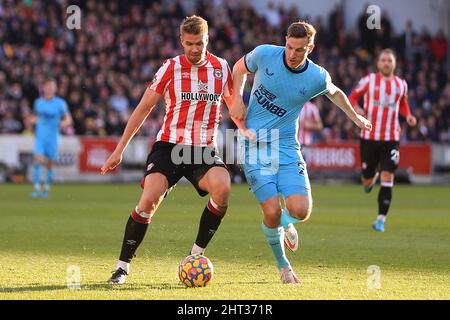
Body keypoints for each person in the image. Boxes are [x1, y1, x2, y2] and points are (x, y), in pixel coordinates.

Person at [101, 15, 252, 285]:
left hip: (203, 149)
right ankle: (122, 266)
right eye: (190, 43)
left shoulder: (221, 68)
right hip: (169, 145)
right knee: (149, 199)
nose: (195, 49)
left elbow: (234, 108)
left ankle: (195, 255)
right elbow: (144, 108)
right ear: (181, 41)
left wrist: (246, 132)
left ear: (208, 40)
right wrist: (119, 149)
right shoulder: (170, 68)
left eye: (200, 43)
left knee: (224, 188)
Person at [230, 21, 372, 284]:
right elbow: (238, 68)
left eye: (300, 50)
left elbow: (335, 93)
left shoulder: (316, 76)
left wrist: (355, 118)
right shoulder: (264, 54)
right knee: (271, 212)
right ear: (285, 40)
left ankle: (286, 223)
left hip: (286, 146)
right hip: (254, 145)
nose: (293, 54)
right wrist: (238, 98)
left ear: (311, 48)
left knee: (301, 210)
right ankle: (283, 266)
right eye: (290, 47)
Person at [349, 48, 417, 232]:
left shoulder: (401, 84)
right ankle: (370, 179)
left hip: (391, 138)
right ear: (378, 63)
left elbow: (403, 104)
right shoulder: (368, 80)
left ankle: (381, 219)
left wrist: (408, 116)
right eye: (383, 60)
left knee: (388, 177)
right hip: (369, 137)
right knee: (367, 181)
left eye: (389, 60)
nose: (386, 63)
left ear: (394, 64)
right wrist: (357, 108)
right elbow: (352, 97)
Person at [30, 78, 72, 198]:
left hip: (53, 137)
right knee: (37, 160)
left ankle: (46, 189)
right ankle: (37, 189)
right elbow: (34, 117)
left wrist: (64, 123)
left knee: (50, 163)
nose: (49, 88)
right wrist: (31, 120)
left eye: (52, 86)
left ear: (55, 88)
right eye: (47, 86)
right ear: (44, 88)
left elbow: (68, 119)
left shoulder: (60, 103)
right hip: (40, 137)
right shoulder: (38, 102)